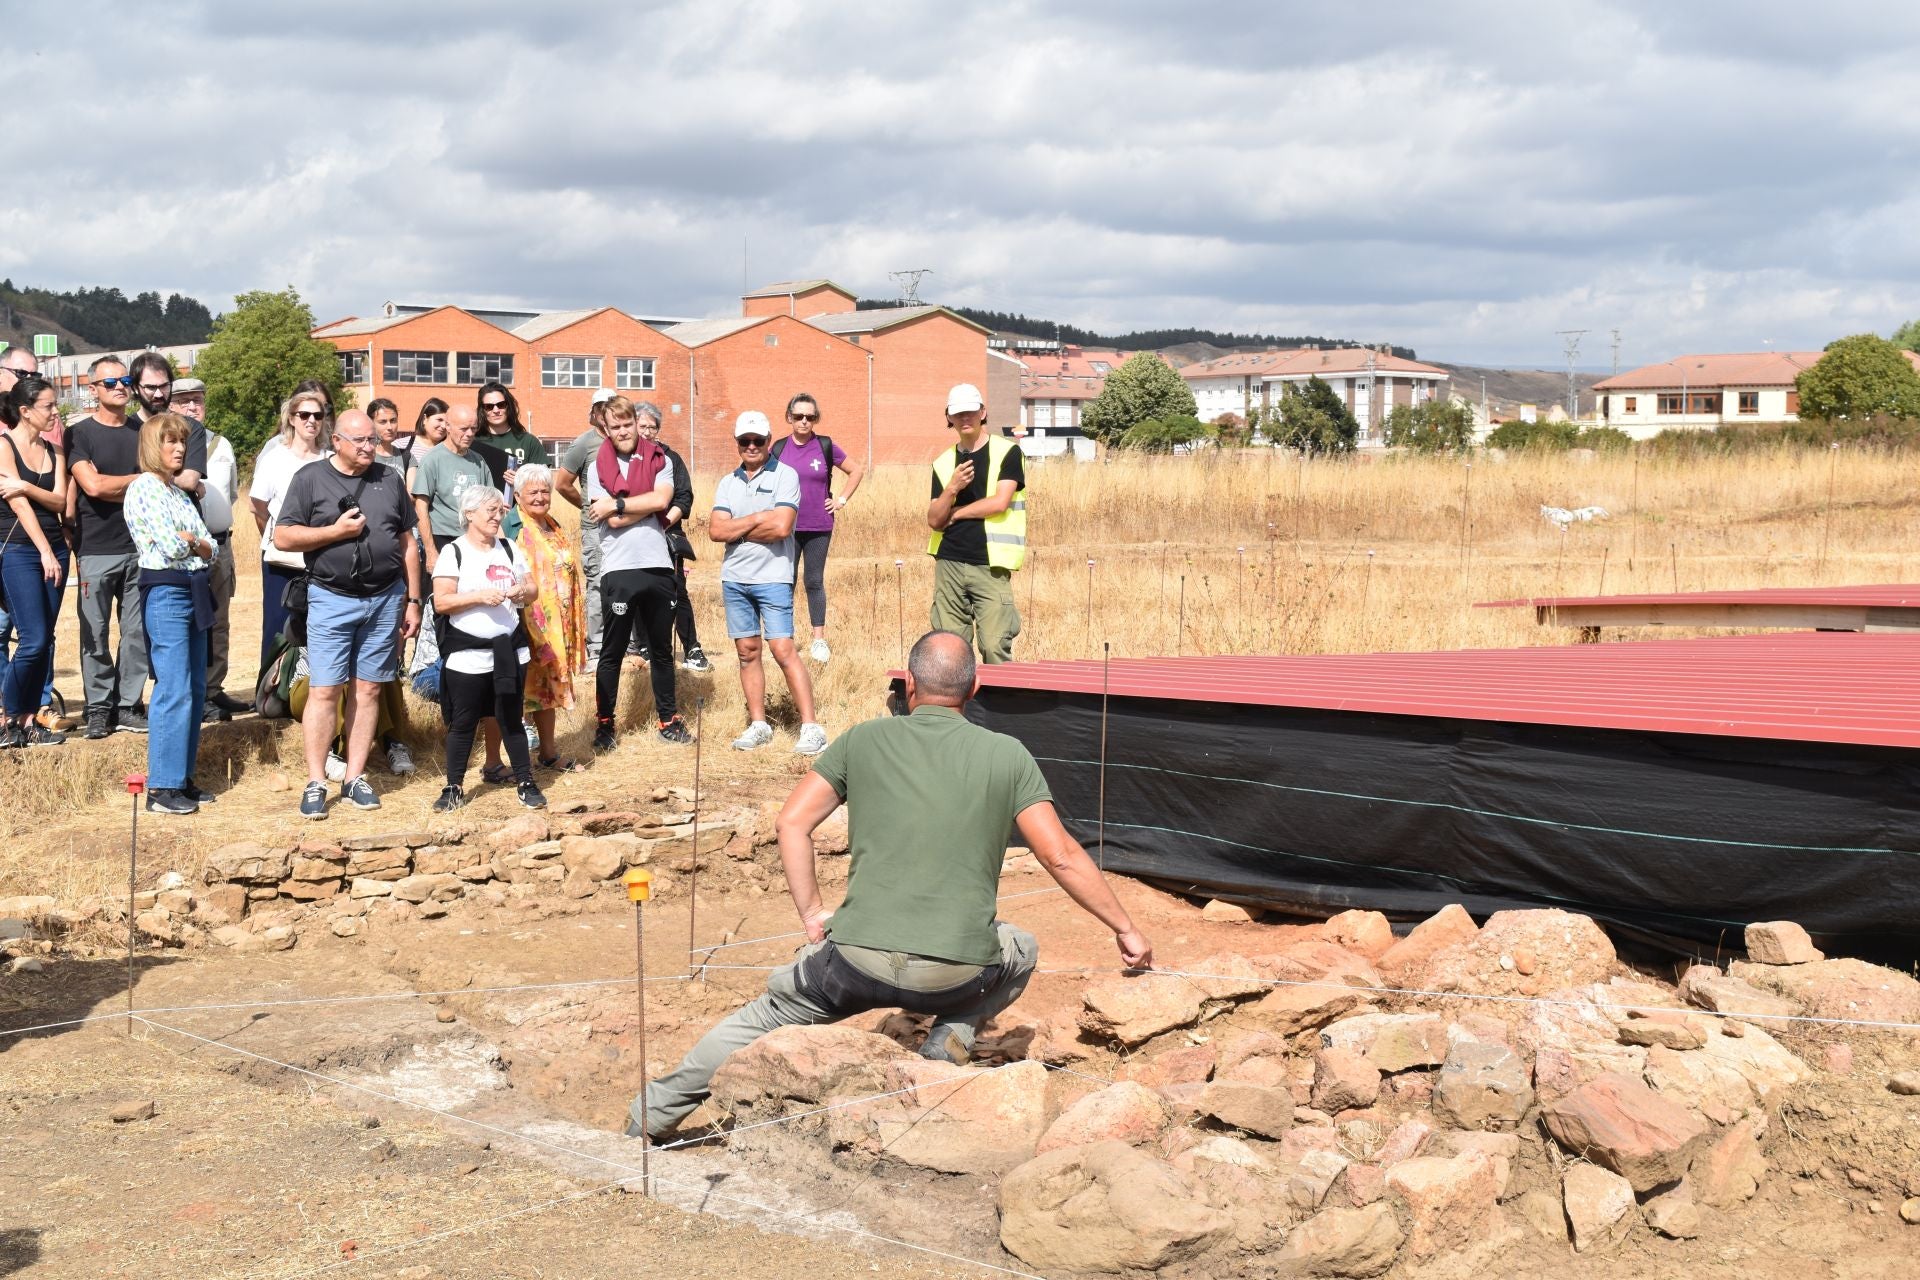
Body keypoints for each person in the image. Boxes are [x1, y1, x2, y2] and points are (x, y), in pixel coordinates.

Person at [629, 630, 1154, 1140]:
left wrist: (813, 914)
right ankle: (951, 1036)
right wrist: (1125, 928)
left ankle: (650, 1117)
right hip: (956, 973)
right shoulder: (1008, 755)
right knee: (1021, 948)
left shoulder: (862, 739)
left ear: (907, 687)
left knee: (764, 1015)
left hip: (852, 965)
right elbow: (1059, 855)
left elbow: (792, 823)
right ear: (974, 690)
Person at [273, 410, 422, 820]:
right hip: (330, 598)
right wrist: (334, 532)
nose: (369, 447)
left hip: (386, 599)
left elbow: (408, 544)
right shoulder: (310, 479)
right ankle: (317, 781)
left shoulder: (389, 479)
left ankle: (355, 777)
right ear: (335, 440)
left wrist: (413, 600)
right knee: (325, 689)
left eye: (372, 440)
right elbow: (283, 536)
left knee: (370, 689)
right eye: (359, 440)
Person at [711, 412, 825, 755]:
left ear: (767, 440)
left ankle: (810, 727)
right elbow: (716, 531)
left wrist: (739, 529)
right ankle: (759, 724)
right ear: (736, 442)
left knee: (782, 649)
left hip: (773, 577)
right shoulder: (727, 482)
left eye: (757, 440)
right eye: (744, 440)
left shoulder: (785, 475)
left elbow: (781, 529)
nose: (751, 446)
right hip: (735, 579)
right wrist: (759, 517)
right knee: (747, 653)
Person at [431, 486, 546, 812]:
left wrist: (521, 590)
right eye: (491, 512)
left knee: (511, 718)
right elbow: (442, 602)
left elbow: (533, 589)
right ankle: (453, 786)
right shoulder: (454, 553)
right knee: (464, 721)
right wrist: (480, 596)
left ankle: (526, 781)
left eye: (501, 511)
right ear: (469, 514)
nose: (499, 517)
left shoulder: (509, 548)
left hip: (509, 651)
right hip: (467, 654)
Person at [124, 414, 217, 815]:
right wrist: (195, 544)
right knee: (173, 687)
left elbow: (209, 545)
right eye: (171, 442)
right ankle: (161, 787)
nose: (180, 449)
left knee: (196, 688)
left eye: (182, 442)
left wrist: (195, 541)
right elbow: (170, 546)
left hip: (193, 590)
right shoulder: (144, 487)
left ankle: (182, 778)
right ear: (151, 447)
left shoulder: (179, 494)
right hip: (165, 591)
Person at [584, 395, 689, 750]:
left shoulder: (661, 459)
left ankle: (668, 720)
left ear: (636, 423)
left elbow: (662, 501)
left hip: (658, 565)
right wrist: (637, 505)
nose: (624, 431)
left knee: (660, 650)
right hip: (619, 569)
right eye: (616, 426)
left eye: (629, 424)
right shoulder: (598, 466)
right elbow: (611, 519)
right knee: (612, 652)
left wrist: (618, 502)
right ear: (607, 430)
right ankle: (605, 724)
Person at [67, 355, 151, 738]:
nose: (120, 386)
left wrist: (117, 485)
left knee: (136, 632)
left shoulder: (143, 431)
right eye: (111, 381)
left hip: (141, 547)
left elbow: (156, 484)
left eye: (125, 380)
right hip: (95, 548)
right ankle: (99, 707)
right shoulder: (79, 434)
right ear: (93, 389)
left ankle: (128, 704)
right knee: (95, 632)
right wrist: (139, 481)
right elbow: (93, 487)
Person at [927, 382, 1027, 664]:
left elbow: (999, 502)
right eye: (958, 414)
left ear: (983, 412)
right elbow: (935, 520)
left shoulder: (1008, 452)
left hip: (990, 564)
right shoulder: (943, 462)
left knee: (995, 646)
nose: (965, 418)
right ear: (949, 417)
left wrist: (956, 513)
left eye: (971, 412)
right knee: (949, 650)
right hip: (949, 562)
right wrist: (951, 488)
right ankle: (958, 707)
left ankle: (1000, 707)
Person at [169, 379, 249, 722]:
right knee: (188, 623)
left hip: (219, 542)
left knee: (219, 621)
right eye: (183, 401)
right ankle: (192, 694)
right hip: (183, 549)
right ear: (170, 407)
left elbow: (231, 494)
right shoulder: (166, 446)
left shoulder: (221, 444)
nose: (191, 408)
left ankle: (213, 690)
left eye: (197, 401)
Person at [0, 375, 68, 748]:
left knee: (45, 641)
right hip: (20, 550)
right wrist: (43, 550)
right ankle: (6, 714)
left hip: (57, 549)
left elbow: (59, 501)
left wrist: (25, 484)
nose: (56, 412)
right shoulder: (4, 447)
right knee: (32, 638)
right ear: (25, 411)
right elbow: (19, 506)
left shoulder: (54, 450)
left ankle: (26, 718)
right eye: (48, 406)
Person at [772, 392, 863, 664]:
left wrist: (841, 500)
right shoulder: (777, 449)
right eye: (798, 416)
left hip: (819, 525)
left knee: (813, 581)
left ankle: (819, 640)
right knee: (785, 581)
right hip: (786, 526)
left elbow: (856, 471)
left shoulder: (825, 446)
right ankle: (784, 635)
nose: (803, 421)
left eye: (810, 417)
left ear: (816, 419)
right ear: (789, 417)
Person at [512, 464, 586, 771]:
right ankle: (512, 761)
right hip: (532, 623)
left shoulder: (552, 525)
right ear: (518, 496)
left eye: (545, 490)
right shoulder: (516, 529)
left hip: (560, 622)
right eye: (533, 492)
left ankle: (548, 752)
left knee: (546, 689)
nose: (541, 497)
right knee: (524, 689)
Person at [249, 393, 329, 670]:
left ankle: (307, 686)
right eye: (304, 415)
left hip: (321, 556)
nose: (311, 421)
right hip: (282, 557)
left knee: (317, 623)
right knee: (277, 622)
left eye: (318, 415)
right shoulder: (275, 458)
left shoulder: (329, 459)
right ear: (292, 419)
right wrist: (277, 537)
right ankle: (272, 690)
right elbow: (258, 505)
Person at [630, 401, 707, 672]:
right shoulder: (624, 457)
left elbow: (684, 496)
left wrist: (664, 522)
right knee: (639, 589)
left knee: (677, 591)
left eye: (653, 427)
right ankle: (643, 644)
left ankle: (692, 648)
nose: (648, 432)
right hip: (633, 533)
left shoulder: (670, 458)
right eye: (643, 426)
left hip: (667, 531)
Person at [368, 397, 410, 468]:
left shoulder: (406, 457)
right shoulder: (364, 456)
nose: (389, 427)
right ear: (371, 423)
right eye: (383, 422)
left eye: (393, 421)